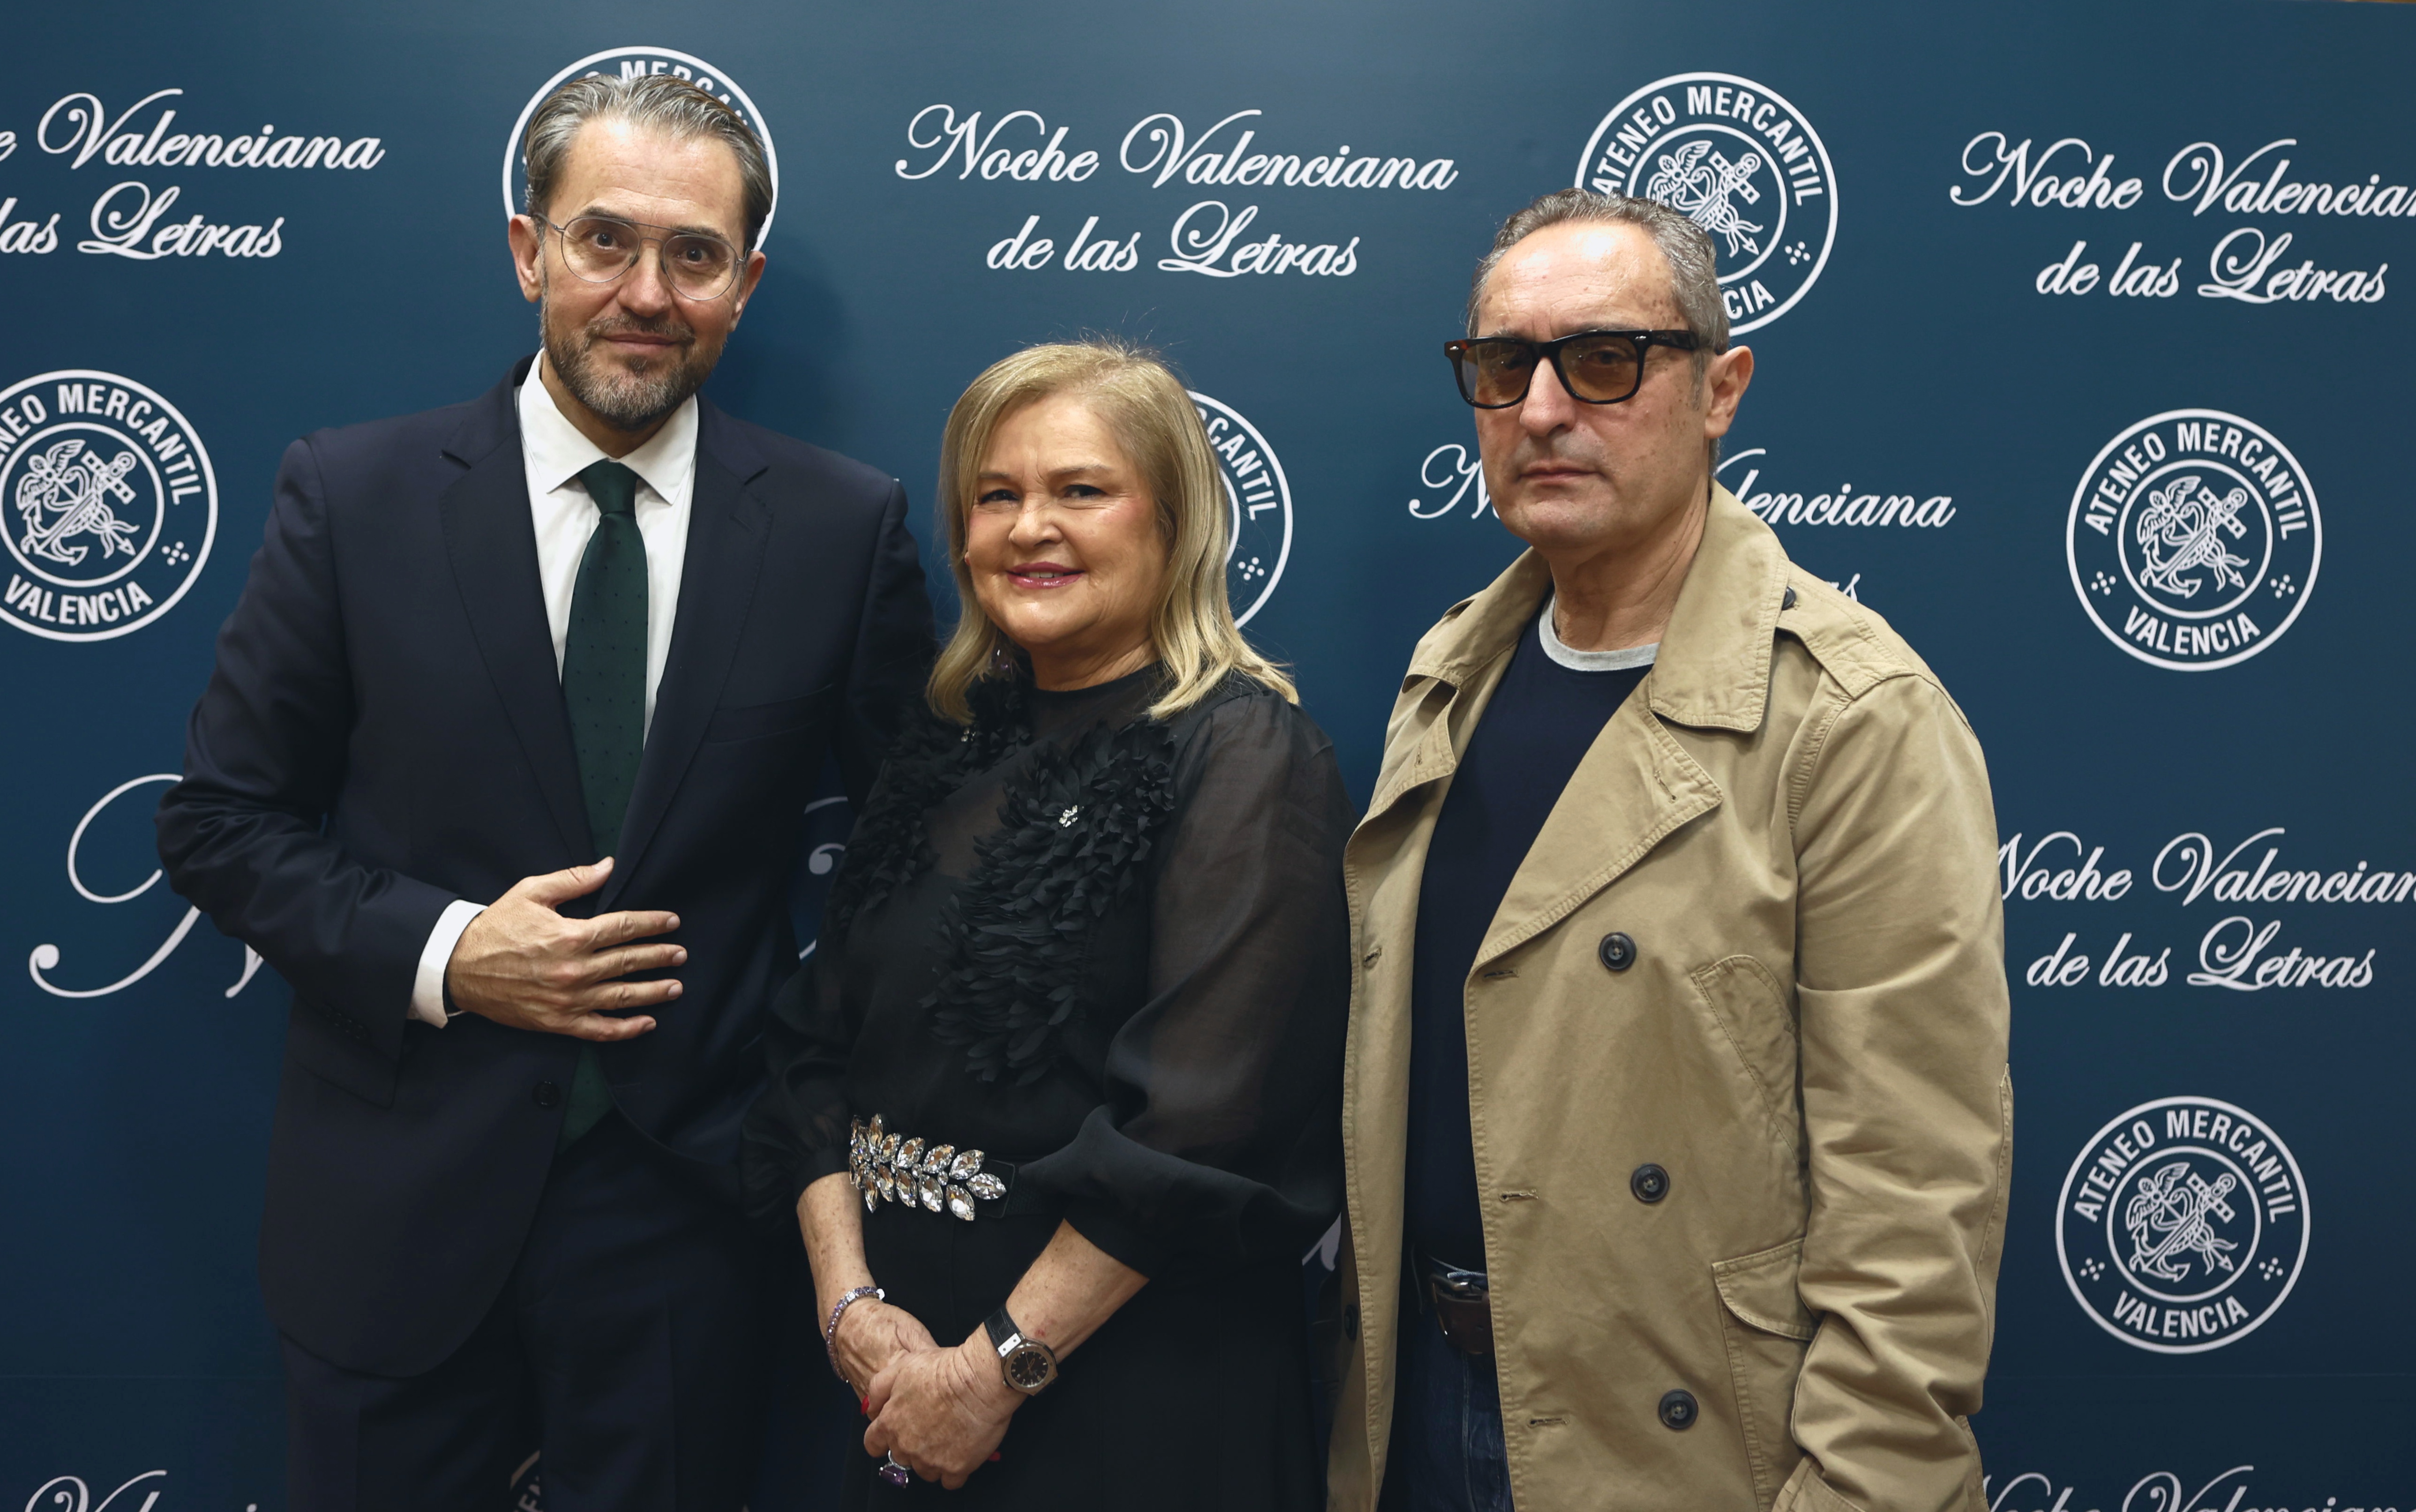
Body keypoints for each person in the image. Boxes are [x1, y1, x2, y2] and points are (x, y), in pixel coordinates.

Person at [153, 73, 934, 1510]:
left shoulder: (842, 528)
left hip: (690, 1224)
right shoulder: (353, 496)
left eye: (694, 254)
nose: (646, 292)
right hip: (390, 1208)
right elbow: (218, 826)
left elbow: (913, 860)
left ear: (745, 284)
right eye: (603, 240)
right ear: (529, 251)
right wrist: (454, 951)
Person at [1327, 189, 2012, 1512]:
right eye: (1502, 366)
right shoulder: (1450, 671)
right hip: (1418, 1407)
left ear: (1719, 390)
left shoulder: (1853, 716)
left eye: (1603, 360)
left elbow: (1914, 1199)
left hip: (1681, 1443)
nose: (1541, 409)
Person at [744, 338, 1353, 1508]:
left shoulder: (1245, 753)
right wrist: (849, 1306)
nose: (1030, 529)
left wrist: (991, 1375)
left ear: (1173, 522)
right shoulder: (945, 744)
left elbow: (1200, 1129)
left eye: (1080, 490)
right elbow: (811, 1052)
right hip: (886, 1383)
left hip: (1130, 1397)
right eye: (996, 496)